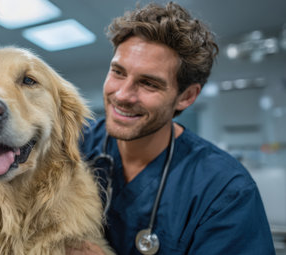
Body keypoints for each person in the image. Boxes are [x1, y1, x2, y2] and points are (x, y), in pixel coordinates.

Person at [75, 2, 276, 255]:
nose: (123, 94)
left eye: (148, 84)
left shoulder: (224, 191)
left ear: (187, 96)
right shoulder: (74, 143)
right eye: (118, 72)